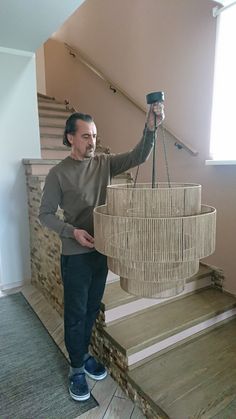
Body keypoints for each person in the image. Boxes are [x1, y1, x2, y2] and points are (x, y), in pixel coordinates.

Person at [39, 103, 164, 402]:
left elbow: (139, 156)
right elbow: (45, 214)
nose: (92, 141)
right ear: (70, 138)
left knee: (92, 309)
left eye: (94, 135)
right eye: (85, 136)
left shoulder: (104, 164)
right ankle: (77, 369)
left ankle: (83, 355)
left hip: (101, 252)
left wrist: (150, 128)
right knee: (76, 313)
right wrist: (73, 232)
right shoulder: (58, 174)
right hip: (75, 256)